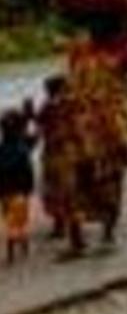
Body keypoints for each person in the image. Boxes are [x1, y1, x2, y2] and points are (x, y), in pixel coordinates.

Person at [58, 17, 127, 259]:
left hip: (112, 127)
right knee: (74, 181)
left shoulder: (123, 50)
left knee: (110, 180)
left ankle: (107, 235)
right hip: (78, 124)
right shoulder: (80, 46)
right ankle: (77, 240)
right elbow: (67, 78)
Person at [0, 102, 36, 263]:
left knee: (9, 218)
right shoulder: (23, 147)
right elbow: (34, 137)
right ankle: (19, 249)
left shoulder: (2, 149)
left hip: (5, 190)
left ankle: (14, 251)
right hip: (20, 190)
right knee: (20, 221)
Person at [36, 74, 71, 238]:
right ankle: (65, 224)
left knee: (54, 189)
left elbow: (39, 126)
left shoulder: (48, 106)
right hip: (67, 152)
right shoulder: (69, 104)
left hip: (53, 152)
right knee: (65, 189)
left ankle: (60, 225)